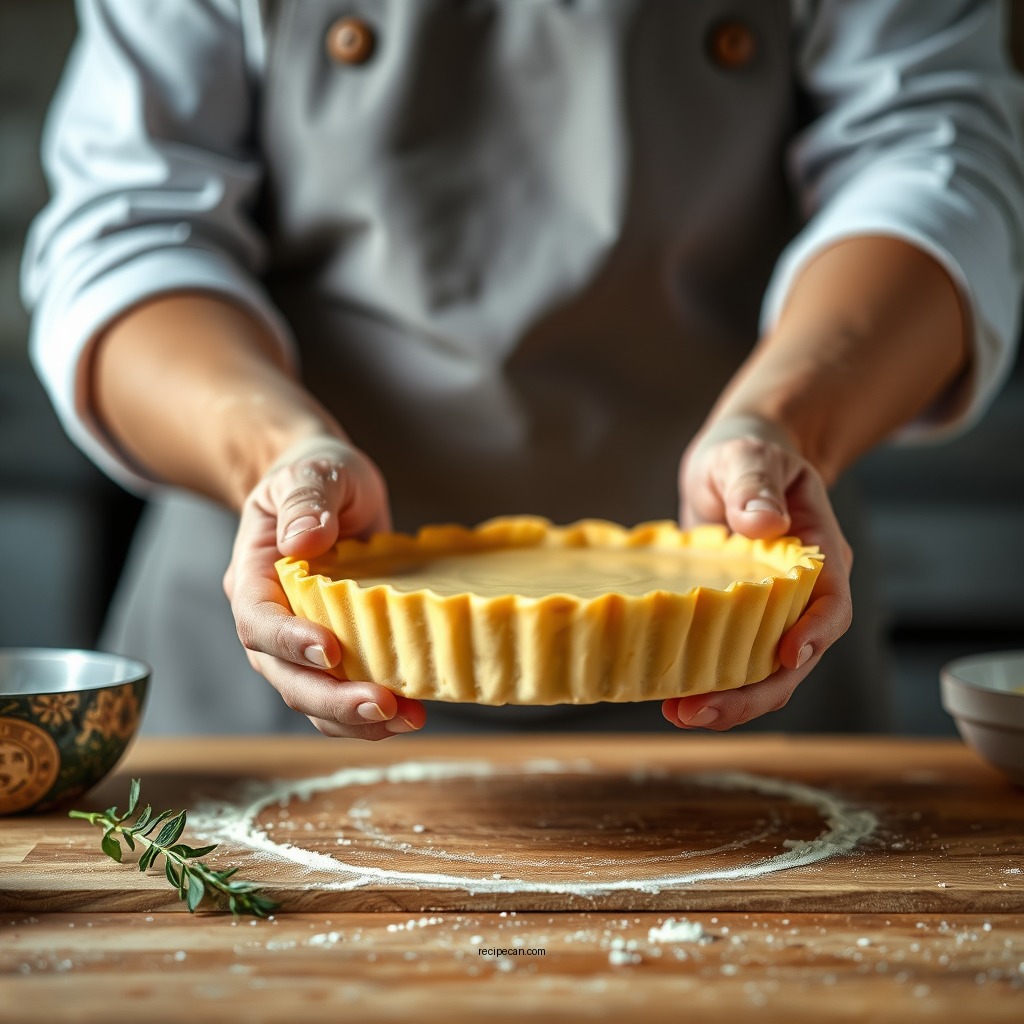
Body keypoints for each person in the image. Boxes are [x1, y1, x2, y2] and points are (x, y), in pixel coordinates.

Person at [22, 0, 1024, 739]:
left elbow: (932, 164)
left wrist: (784, 424)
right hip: (282, 633)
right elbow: (130, 231)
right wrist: (277, 456)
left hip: (740, 637)